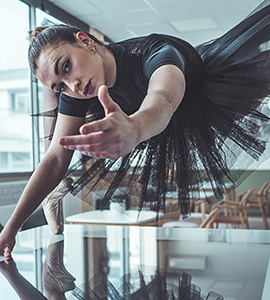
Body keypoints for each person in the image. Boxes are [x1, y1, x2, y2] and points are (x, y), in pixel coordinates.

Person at [1, 1, 270, 258]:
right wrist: (10, 229)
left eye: (67, 67)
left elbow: (162, 98)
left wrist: (136, 128)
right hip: (152, 120)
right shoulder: (77, 91)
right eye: (60, 85)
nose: (71, 86)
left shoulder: (157, 53)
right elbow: (54, 158)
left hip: (205, 92)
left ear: (86, 41)